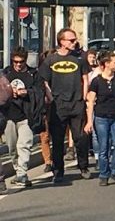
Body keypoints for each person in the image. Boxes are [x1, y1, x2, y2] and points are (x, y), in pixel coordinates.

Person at [39, 28, 92, 183]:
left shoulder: (80, 58)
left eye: (75, 39)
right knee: (57, 139)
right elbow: (44, 81)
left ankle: (83, 166)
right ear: (62, 41)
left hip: (76, 103)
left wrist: (84, 96)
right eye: (71, 40)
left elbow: (85, 77)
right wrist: (50, 97)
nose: (74, 42)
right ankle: (58, 171)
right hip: (58, 105)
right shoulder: (51, 60)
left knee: (80, 137)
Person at [1, 47, 48, 189]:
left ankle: (22, 172)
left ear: (25, 60)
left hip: (27, 116)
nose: (18, 64)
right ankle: (18, 171)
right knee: (12, 147)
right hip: (9, 116)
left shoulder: (33, 74)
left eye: (21, 61)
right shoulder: (6, 73)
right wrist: (9, 92)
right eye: (15, 61)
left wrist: (27, 92)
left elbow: (40, 92)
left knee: (24, 145)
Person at [84, 52, 115, 186]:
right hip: (101, 117)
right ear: (106, 64)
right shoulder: (97, 81)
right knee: (103, 147)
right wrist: (89, 121)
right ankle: (104, 174)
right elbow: (91, 100)